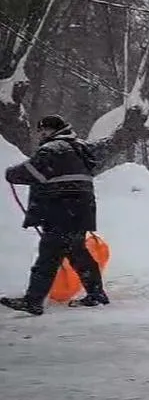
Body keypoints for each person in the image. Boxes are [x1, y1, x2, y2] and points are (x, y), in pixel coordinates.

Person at [1, 114, 108, 315]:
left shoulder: (52, 149)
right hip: (81, 211)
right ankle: (96, 294)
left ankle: (33, 301)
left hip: (60, 212)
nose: (41, 134)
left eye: (43, 130)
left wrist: (10, 173)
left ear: (52, 130)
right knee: (78, 254)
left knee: (48, 258)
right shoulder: (80, 148)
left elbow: (30, 172)